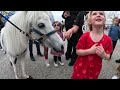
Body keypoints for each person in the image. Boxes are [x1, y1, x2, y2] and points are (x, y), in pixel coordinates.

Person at [72, 11, 113, 79]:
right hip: (79, 70)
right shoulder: (85, 36)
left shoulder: (108, 40)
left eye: (101, 14)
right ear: (90, 21)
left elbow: (108, 56)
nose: (98, 15)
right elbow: (78, 51)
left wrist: (104, 55)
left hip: (94, 72)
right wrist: (90, 51)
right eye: (94, 14)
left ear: (104, 20)